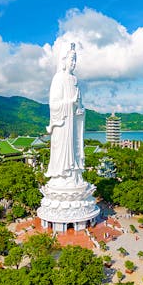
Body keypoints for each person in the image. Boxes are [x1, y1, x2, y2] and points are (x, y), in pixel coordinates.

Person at [45, 43, 85, 181]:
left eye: (75, 60)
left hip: (73, 122)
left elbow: (79, 104)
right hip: (62, 123)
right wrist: (70, 103)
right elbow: (53, 104)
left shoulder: (75, 80)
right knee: (61, 150)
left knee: (74, 148)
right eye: (71, 59)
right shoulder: (58, 78)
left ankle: (74, 173)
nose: (73, 63)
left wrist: (80, 109)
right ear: (63, 60)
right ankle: (62, 175)